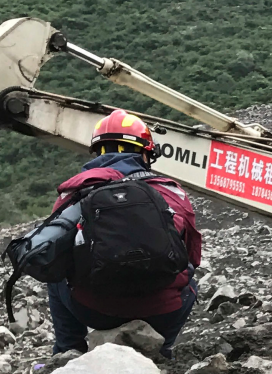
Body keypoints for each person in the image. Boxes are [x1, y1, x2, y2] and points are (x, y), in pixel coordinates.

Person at [23, 111, 201, 356]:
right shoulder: (172, 192)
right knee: (190, 278)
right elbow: (193, 255)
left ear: (98, 151)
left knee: (57, 277)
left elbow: (55, 255)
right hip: (164, 312)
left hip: (96, 312)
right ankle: (163, 349)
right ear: (146, 152)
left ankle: (67, 351)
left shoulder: (73, 193)